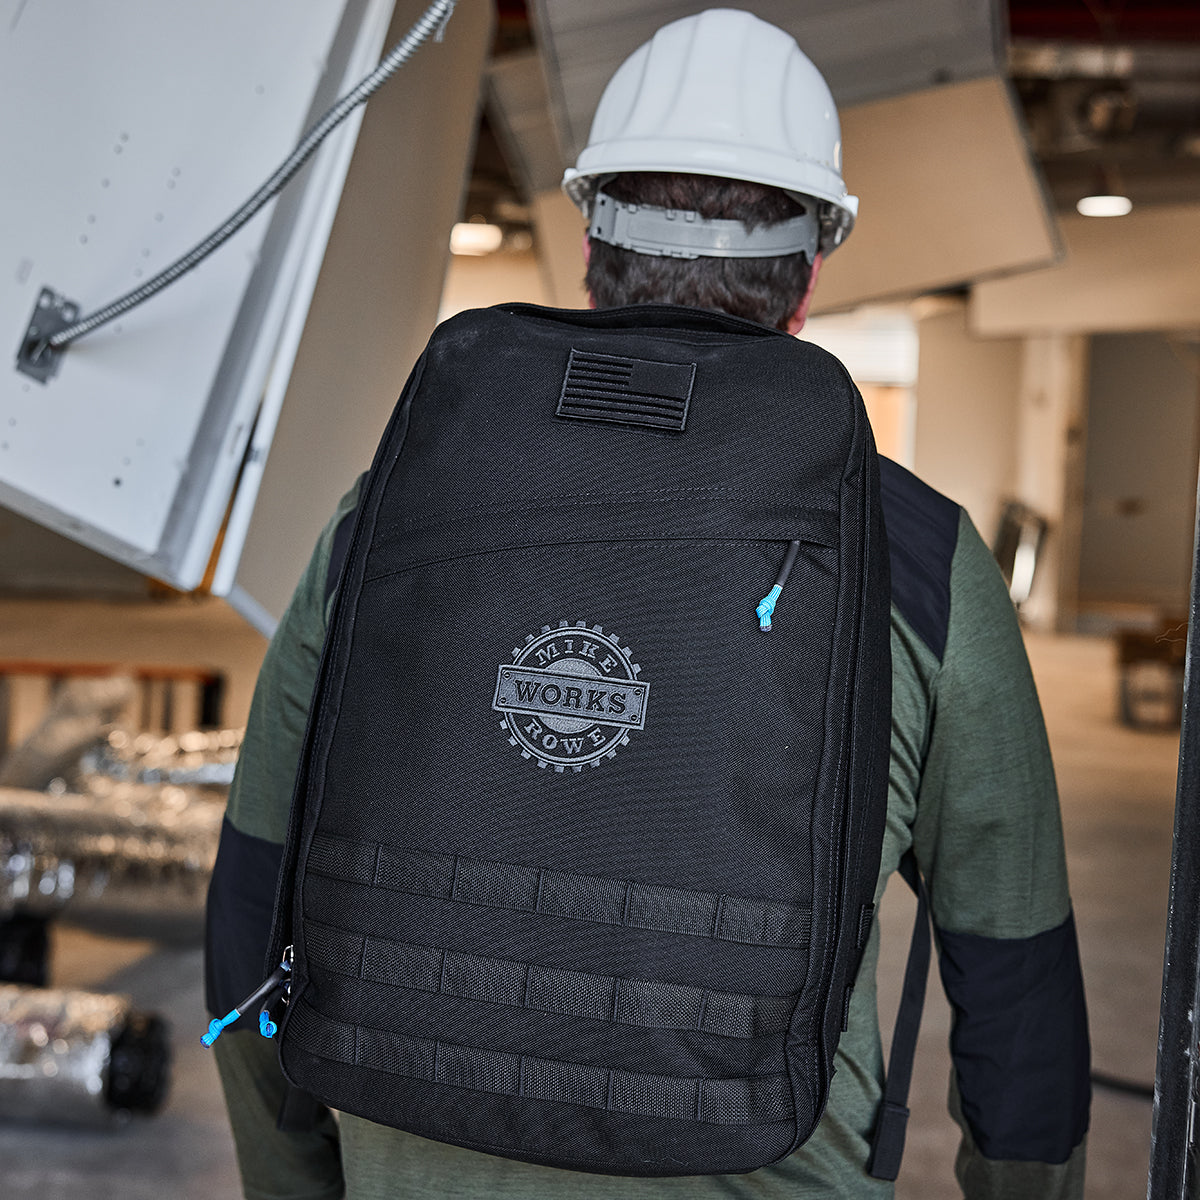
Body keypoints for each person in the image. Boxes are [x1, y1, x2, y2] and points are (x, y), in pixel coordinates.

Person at [205, 9, 1090, 1197]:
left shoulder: (388, 512)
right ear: (808, 275)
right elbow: (1014, 975)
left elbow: (254, 902)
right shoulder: (917, 555)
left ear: (590, 250)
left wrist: (304, 1180)